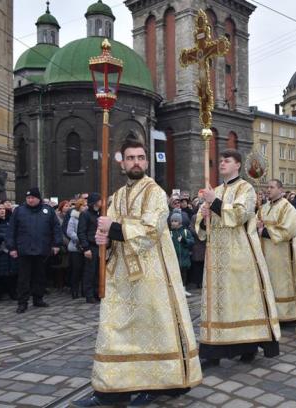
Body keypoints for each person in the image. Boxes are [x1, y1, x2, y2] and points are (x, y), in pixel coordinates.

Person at [71, 139, 201, 408]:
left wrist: (114, 227)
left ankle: (155, 384)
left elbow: (151, 229)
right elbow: (109, 232)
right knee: (115, 332)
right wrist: (101, 238)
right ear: (122, 163)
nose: (136, 162)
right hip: (121, 277)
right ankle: (109, 391)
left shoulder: (154, 191)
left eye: (141, 157)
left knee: (152, 330)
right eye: (131, 158)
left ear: (147, 161)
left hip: (152, 275)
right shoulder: (117, 196)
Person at [195, 149, 280, 366]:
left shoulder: (246, 188)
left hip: (238, 253)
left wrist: (214, 203)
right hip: (216, 257)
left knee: (240, 301)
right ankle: (212, 351)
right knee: (217, 304)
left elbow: (241, 214)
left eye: (227, 161)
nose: (222, 163)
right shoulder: (215, 189)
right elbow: (203, 227)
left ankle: (248, 346)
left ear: (238, 165)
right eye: (221, 160)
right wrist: (204, 218)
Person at [6, 188, 62, 313]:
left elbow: (56, 228)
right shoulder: (19, 211)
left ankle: (38, 298)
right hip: (24, 250)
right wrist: (12, 247)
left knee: (40, 276)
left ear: (38, 198)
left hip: (42, 249)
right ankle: (22, 302)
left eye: (33, 198)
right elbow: (11, 231)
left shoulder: (48, 211)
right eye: (28, 198)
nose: (30, 200)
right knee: (23, 278)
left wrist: (57, 244)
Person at [257, 179, 296, 322]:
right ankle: (270, 312)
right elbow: (254, 225)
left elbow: (288, 230)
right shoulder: (263, 208)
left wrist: (263, 230)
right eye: (267, 187)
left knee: (282, 283)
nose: (268, 190)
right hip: (265, 252)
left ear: (280, 189)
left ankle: (286, 314)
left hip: (282, 254)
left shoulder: (287, 208)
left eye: (271, 187)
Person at [0, 202, 17, 301]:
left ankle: (12, 292)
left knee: (12, 272)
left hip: (10, 249)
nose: (2, 211)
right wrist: (4, 236)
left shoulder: (9, 220)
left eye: (3, 209)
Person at [78, 193, 101, 303]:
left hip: (100, 246)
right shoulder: (85, 214)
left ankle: (97, 292)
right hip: (90, 246)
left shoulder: (100, 214)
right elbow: (81, 232)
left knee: (98, 271)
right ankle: (89, 294)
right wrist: (86, 248)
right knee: (89, 272)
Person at [169, 211, 194, 297]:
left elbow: (192, 242)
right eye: (172, 221)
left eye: (175, 221)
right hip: (174, 259)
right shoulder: (170, 233)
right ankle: (177, 290)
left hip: (184, 258)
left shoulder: (185, 232)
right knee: (176, 275)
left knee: (184, 275)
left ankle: (184, 289)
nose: (173, 223)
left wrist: (184, 240)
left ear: (180, 222)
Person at [67, 198, 87, 299]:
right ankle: (74, 291)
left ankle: (84, 291)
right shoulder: (73, 218)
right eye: (83, 205)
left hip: (86, 247)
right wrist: (80, 238)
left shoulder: (86, 216)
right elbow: (70, 232)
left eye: (86, 205)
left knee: (85, 270)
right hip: (76, 247)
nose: (85, 207)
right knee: (76, 270)